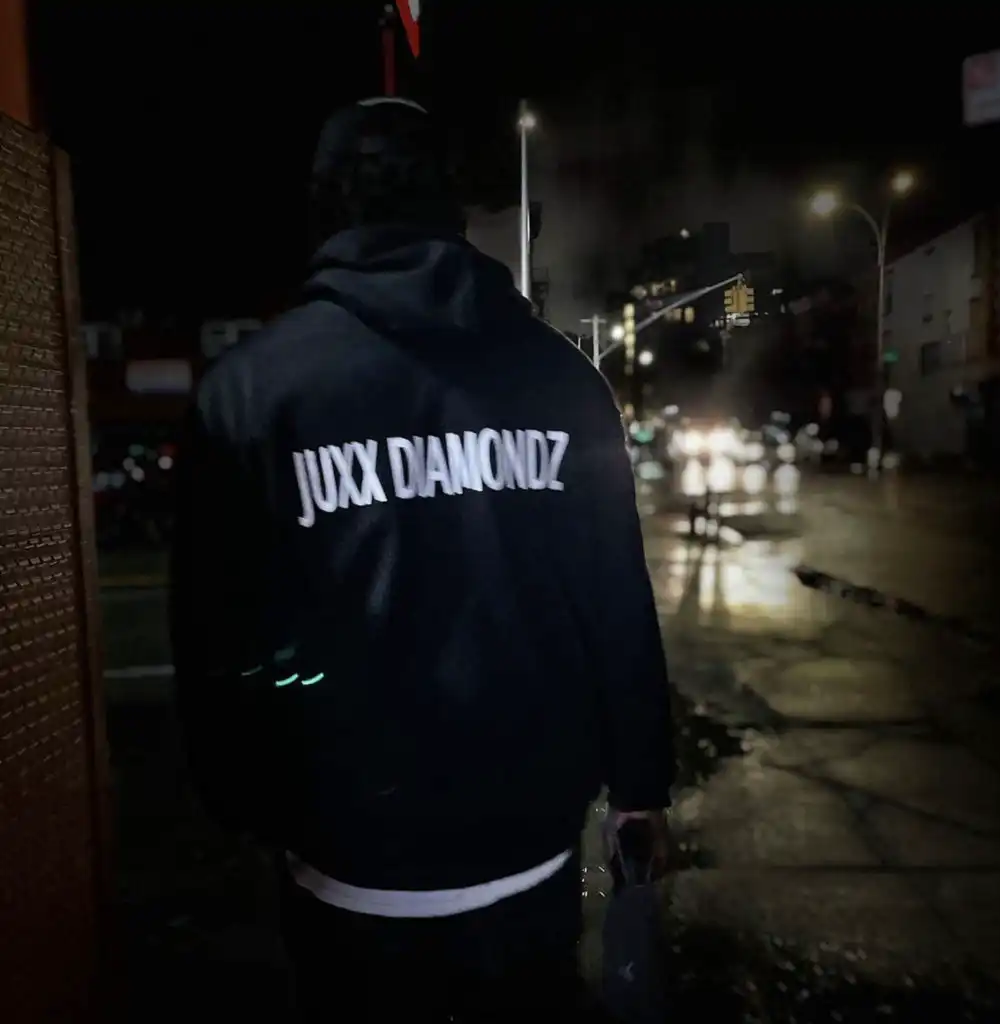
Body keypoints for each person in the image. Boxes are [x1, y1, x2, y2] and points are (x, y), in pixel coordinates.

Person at [170, 96, 674, 1022]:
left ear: (326, 210)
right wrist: (639, 787)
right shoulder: (562, 379)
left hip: (344, 855)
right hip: (527, 848)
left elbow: (215, 632)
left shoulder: (248, 393)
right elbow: (615, 603)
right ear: (454, 210)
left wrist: (243, 798)